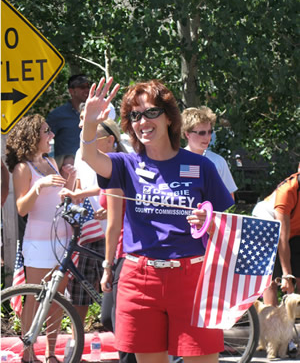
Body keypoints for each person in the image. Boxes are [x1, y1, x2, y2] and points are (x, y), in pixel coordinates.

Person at [81, 77, 234, 363]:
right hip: (139, 279)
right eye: (135, 115)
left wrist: (208, 219)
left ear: (169, 118)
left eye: (151, 112)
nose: (143, 121)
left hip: (192, 279)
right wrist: (90, 121)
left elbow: (226, 222)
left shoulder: (199, 166)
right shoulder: (125, 164)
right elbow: (89, 155)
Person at [5, 114, 77, 363]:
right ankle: (28, 352)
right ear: (33, 136)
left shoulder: (50, 162)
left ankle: (51, 352)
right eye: (47, 131)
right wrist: (39, 186)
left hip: (62, 239)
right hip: (38, 241)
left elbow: (61, 198)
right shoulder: (23, 167)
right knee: (35, 298)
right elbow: (22, 208)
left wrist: (70, 179)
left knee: (57, 298)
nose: (52, 136)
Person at [62, 118, 126, 325]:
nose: (86, 141)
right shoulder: (83, 152)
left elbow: (116, 191)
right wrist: (74, 193)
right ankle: (75, 345)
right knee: (80, 294)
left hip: (118, 238)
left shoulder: (122, 159)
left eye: (93, 138)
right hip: (91, 230)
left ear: (110, 140)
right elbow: (83, 185)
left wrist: (111, 210)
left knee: (115, 304)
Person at [252, 172, 300, 304]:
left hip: (295, 229)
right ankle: (271, 318)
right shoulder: (287, 191)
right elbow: (282, 238)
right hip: (267, 225)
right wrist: (287, 276)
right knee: (273, 276)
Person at [47, 74, 116, 157]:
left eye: (88, 87)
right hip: (67, 168)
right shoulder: (57, 115)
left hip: (95, 165)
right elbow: (43, 141)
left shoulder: (99, 112)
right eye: (82, 87)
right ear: (71, 91)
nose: (87, 90)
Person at [182, 106, 237, 200]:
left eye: (210, 132)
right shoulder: (175, 160)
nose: (207, 137)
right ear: (187, 134)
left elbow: (230, 197)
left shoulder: (218, 162)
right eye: (202, 133)